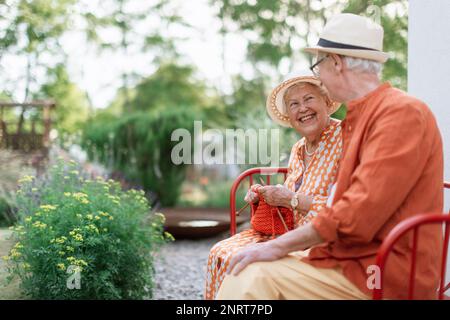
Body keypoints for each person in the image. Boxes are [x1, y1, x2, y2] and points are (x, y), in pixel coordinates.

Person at [216, 13, 443, 300]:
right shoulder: (362, 118)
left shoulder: (400, 113)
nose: (319, 76)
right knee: (250, 267)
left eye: (317, 65)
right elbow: (341, 204)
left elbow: (356, 214)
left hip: (380, 271)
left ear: (336, 62)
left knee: (251, 275)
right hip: (345, 259)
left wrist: (278, 245)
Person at [205, 74, 343, 299]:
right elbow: (291, 199)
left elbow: (344, 209)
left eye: (309, 99)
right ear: (289, 116)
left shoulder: (345, 138)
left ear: (327, 102)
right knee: (220, 252)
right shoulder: (299, 148)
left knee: (241, 260)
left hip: (320, 238)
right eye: (294, 104)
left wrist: (291, 199)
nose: (303, 108)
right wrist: (265, 196)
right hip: (287, 231)